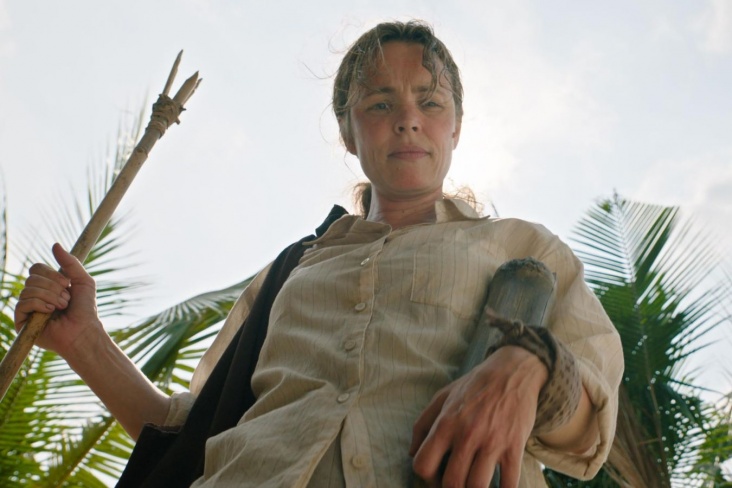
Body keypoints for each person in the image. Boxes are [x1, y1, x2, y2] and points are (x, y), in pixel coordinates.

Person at [15, 20, 623, 487]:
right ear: (347, 131)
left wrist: (530, 366)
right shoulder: (291, 271)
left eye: (430, 102)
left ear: (456, 126)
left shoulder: (522, 248)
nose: (407, 119)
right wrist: (83, 339)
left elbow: (585, 436)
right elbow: (190, 429)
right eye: (380, 103)